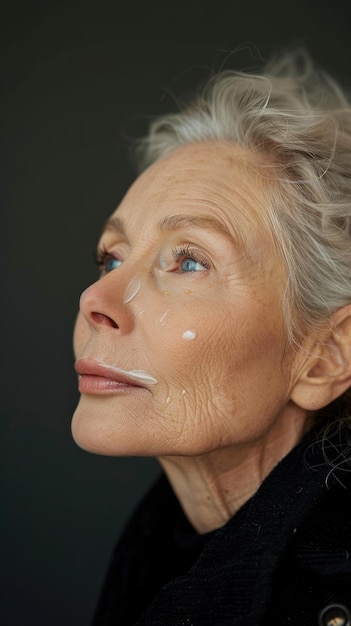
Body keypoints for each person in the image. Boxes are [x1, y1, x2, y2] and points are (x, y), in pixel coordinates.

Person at [72, 50, 351, 625]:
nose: (95, 301)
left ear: (324, 356)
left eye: (189, 262)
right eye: (111, 258)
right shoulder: (150, 561)